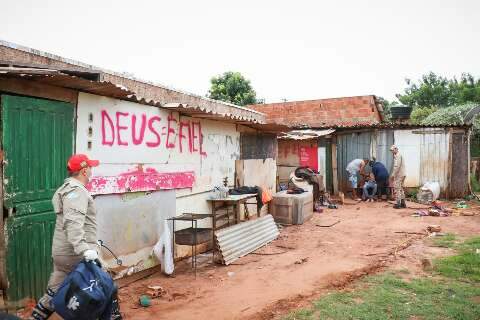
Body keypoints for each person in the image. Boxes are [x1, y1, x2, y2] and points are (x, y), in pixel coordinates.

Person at [32, 154, 100, 319]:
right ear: (84, 171)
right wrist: (85, 249)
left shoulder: (67, 188)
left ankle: (35, 317)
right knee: (100, 286)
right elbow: (73, 223)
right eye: (90, 167)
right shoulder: (76, 191)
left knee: (54, 290)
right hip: (74, 253)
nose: (92, 170)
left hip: (63, 253)